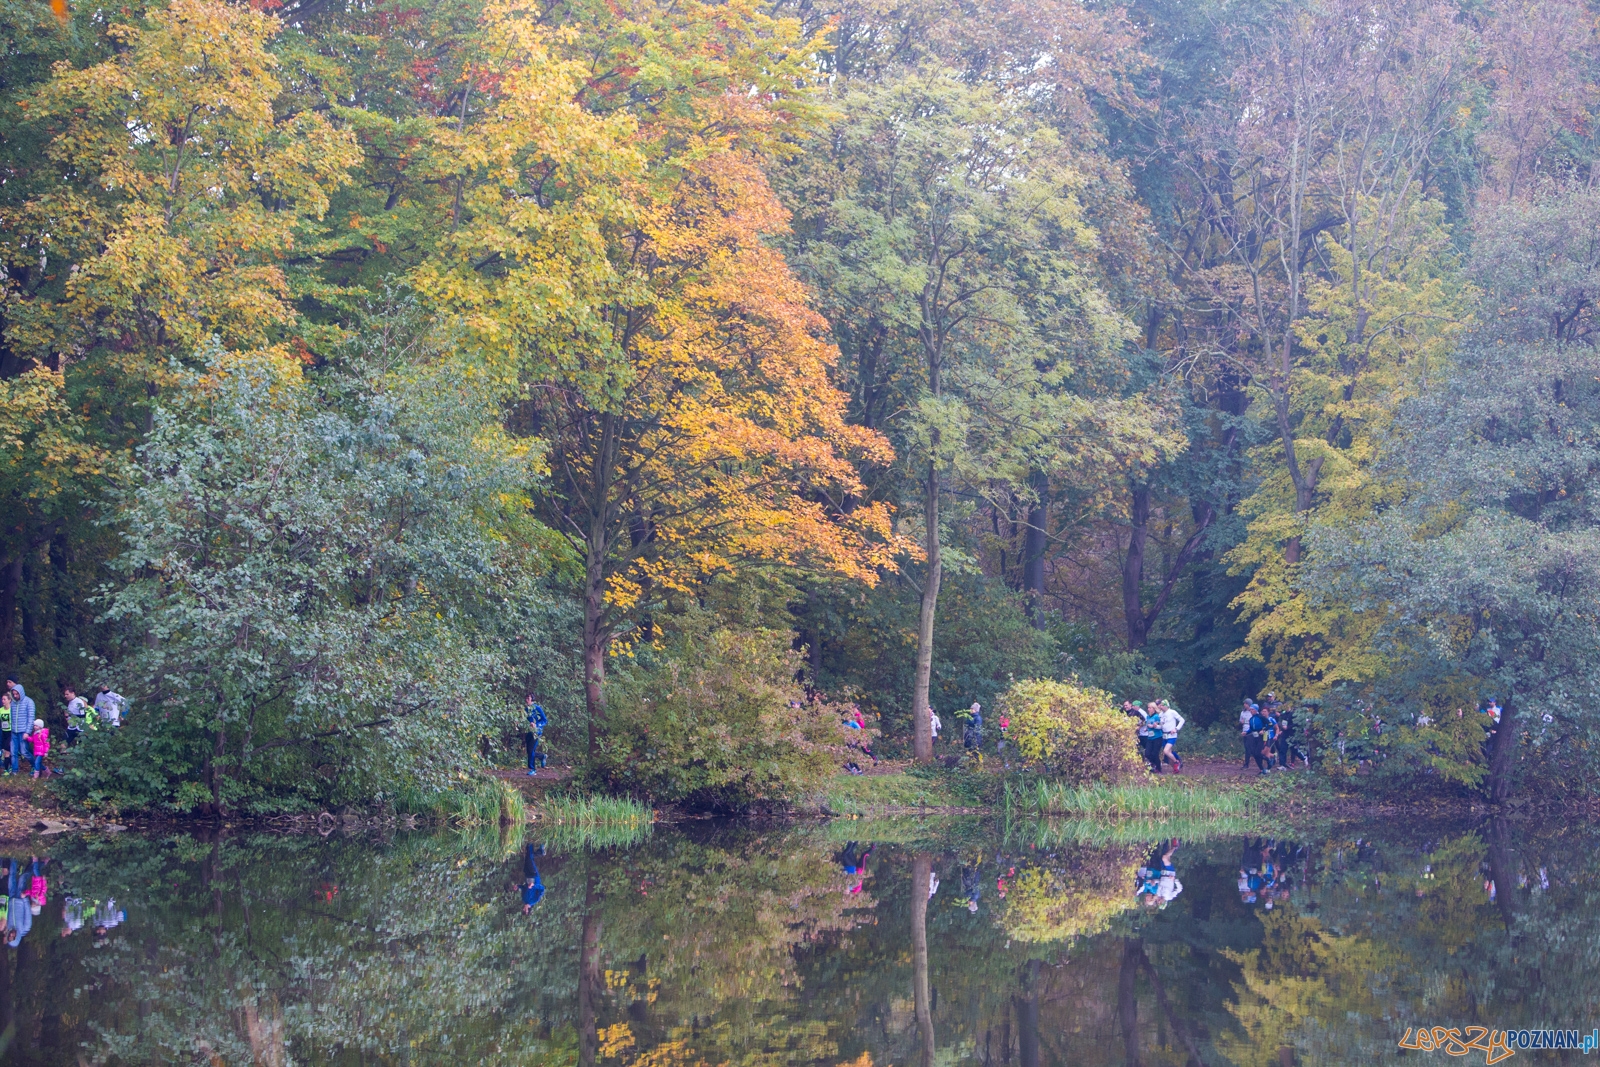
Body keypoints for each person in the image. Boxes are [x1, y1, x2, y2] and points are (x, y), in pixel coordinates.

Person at [5, 678, 33, 774]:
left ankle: (35, 766)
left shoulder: (29, 702)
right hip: (14, 731)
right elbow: (11, 717)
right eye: (14, 694)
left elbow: (31, 718)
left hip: (23, 731)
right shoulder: (13, 703)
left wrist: (27, 732)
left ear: (21, 692)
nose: (15, 696)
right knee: (13, 752)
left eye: (17, 694)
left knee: (24, 752)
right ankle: (15, 771)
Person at [523, 695, 548, 776]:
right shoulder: (525, 709)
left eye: (528, 698)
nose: (526, 700)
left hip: (536, 732)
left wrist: (536, 725)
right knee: (529, 750)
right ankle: (542, 756)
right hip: (529, 731)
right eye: (526, 698)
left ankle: (533, 769)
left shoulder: (537, 708)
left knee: (531, 749)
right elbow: (524, 719)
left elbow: (545, 720)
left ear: (532, 700)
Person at [1158, 700, 1185, 774]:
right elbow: (1161, 726)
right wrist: (1154, 726)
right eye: (1160, 705)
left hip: (1172, 735)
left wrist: (1176, 729)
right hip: (1164, 735)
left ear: (1166, 706)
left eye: (1162, 705)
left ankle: (1176, 762)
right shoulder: (1161, 714)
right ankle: (1175, 769)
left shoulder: (1172, 712)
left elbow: (1182, 720)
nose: (1160, 707)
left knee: (1166, 751)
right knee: (1168, 754)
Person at [520, 843, 545, 914]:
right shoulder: (535, 900)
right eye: (524, 910)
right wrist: (533, 885)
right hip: (534, 877)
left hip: (527, 876)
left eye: (523, 910)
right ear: (527, 910)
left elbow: (524, 887)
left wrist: (518, 886)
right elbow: (542, 889)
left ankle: (537, 850)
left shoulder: (524, 899)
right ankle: (531, 844)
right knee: (529, 859)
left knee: (527, 859)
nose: (523, 908)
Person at [0, 692, 12, 775]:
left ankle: (7, 770)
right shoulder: (1, 710)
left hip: (11, 732)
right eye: (2, 699)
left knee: (7, 751)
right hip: (3, 731)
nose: (3, 701)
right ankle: (8, 767)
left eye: (4, 699)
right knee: (4, 751)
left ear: (9, 700)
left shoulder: (12, 710)